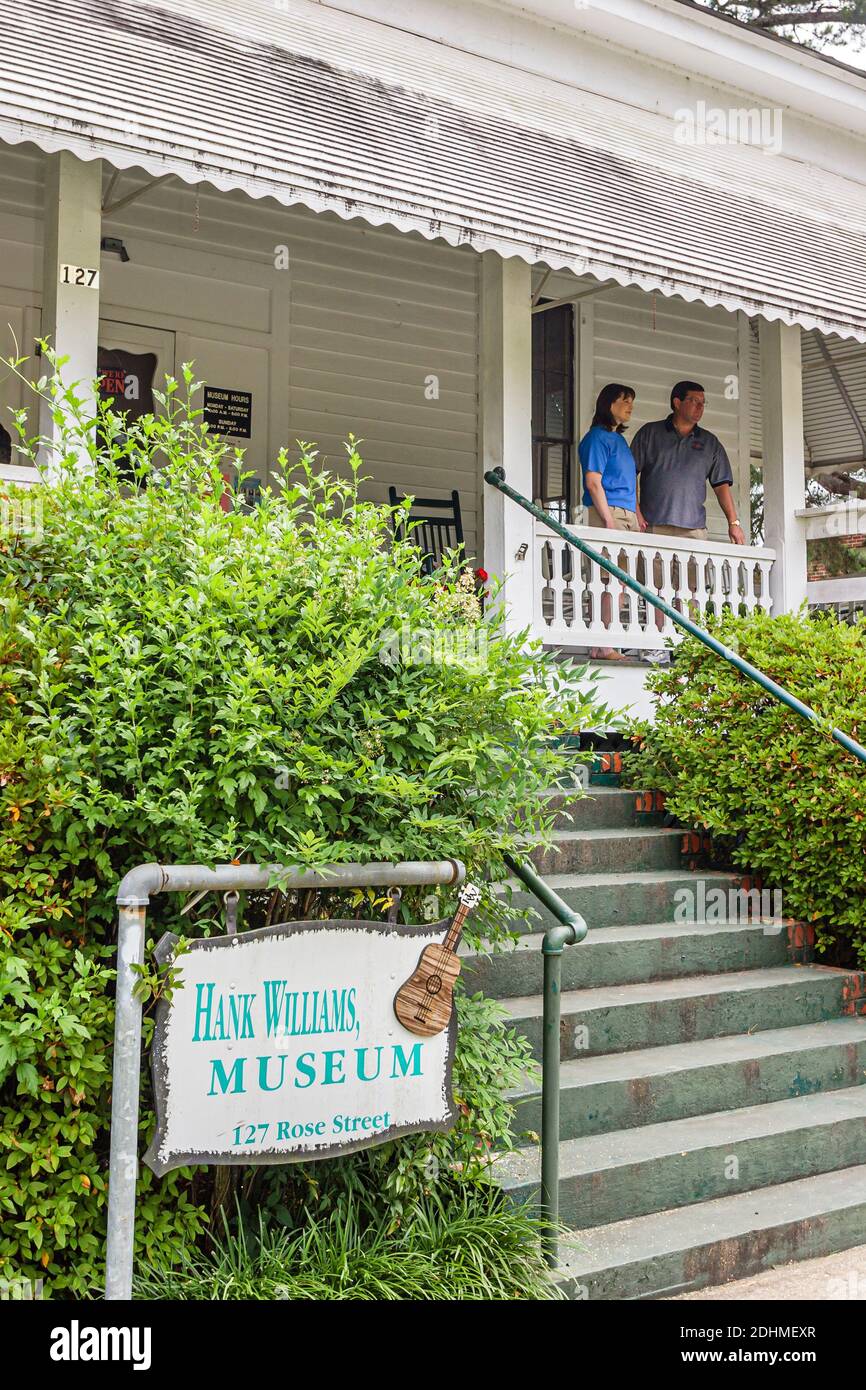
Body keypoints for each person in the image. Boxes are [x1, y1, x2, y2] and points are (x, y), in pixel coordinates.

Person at [631, 381, 744, 660]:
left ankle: (685, 648)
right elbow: (628, 474)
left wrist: (734, 522)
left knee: (690, 590)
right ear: (676, 402)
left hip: (694, 529)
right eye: (694, 401)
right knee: (656, 588)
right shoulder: (650, 434)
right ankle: (657, 645)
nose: (700, 407)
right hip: (655, 524)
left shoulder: (710, 443)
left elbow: (721, 486)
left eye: (703, 402)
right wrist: (635, 511)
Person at [579, 383, 646, 661]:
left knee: (620, 582)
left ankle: (606, 642)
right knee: (609, 581)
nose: (630, 406)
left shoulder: (618, 440)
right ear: (609, 404)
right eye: (624, 401)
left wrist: (637, 513)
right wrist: (607, 519)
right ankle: (601, 645)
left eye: (631, 401)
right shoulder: (597, 438)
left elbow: (629, 482)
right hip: (609, 513)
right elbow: (593, 482)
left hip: (626, 513)